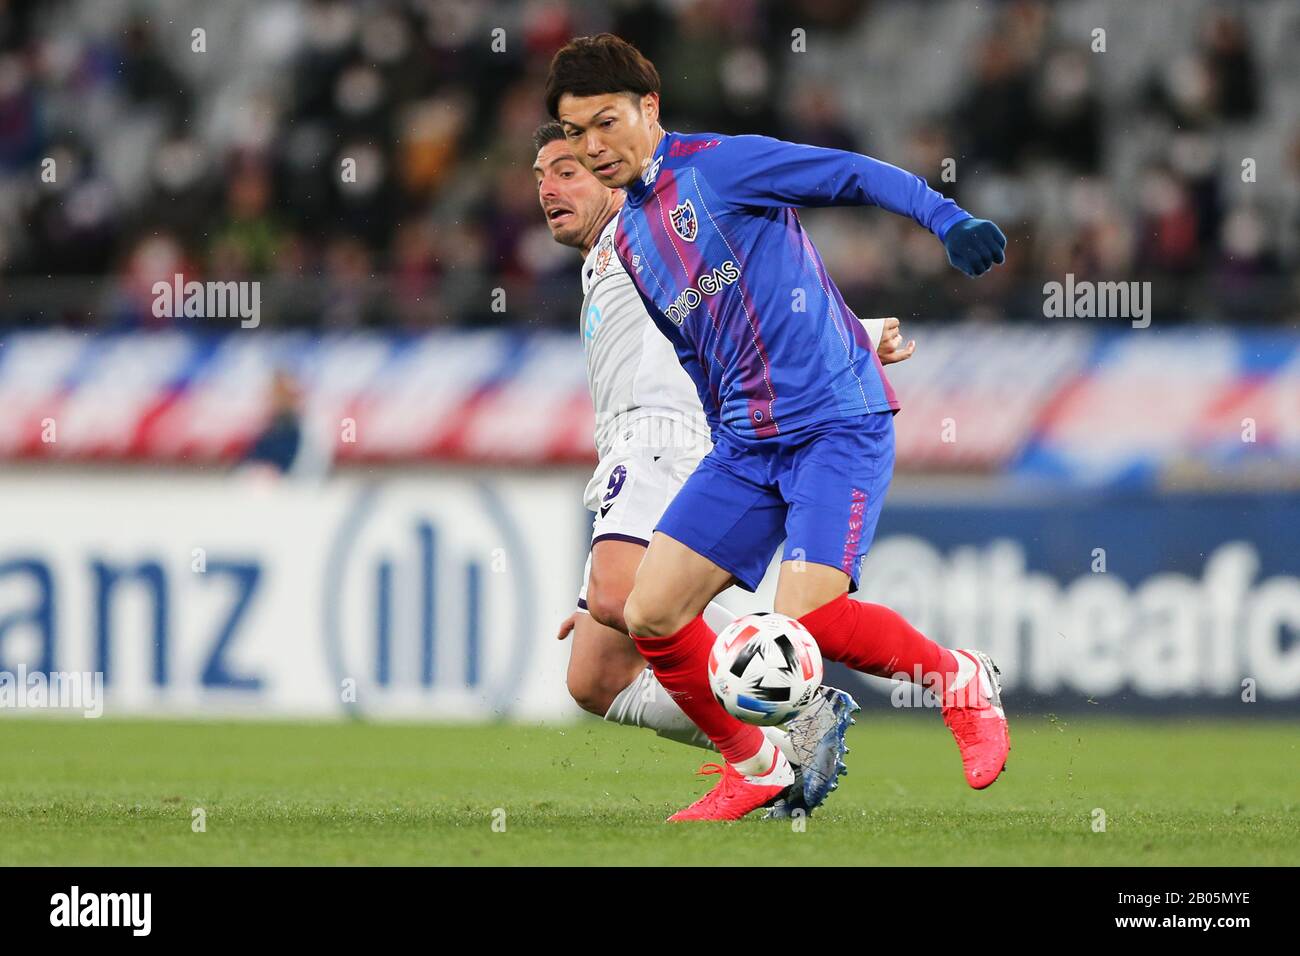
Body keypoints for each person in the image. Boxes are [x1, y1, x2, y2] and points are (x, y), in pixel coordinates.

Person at [545, 34, 1010, 821]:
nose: (593, 148)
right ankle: (758, 766)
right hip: (744, 445)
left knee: (814, 618)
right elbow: (701, 352)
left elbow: (851, 172)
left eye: (606, 123)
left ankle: (957, 677)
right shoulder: (627, 235)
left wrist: (946, 217)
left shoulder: (721, 166)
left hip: (834, 423)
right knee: (650, 610)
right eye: (576, 132)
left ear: (648, 108)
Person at [532, 120, 915, 815]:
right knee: (594, 678)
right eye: (540, 177)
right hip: (628, 449)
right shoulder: (601, 262)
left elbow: (746, 289)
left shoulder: (640, 238)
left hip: (668, 441)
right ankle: (775, 729)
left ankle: (787, 717)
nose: (549, 189)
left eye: (567, 170)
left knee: (622, 597)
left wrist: (851, 334)